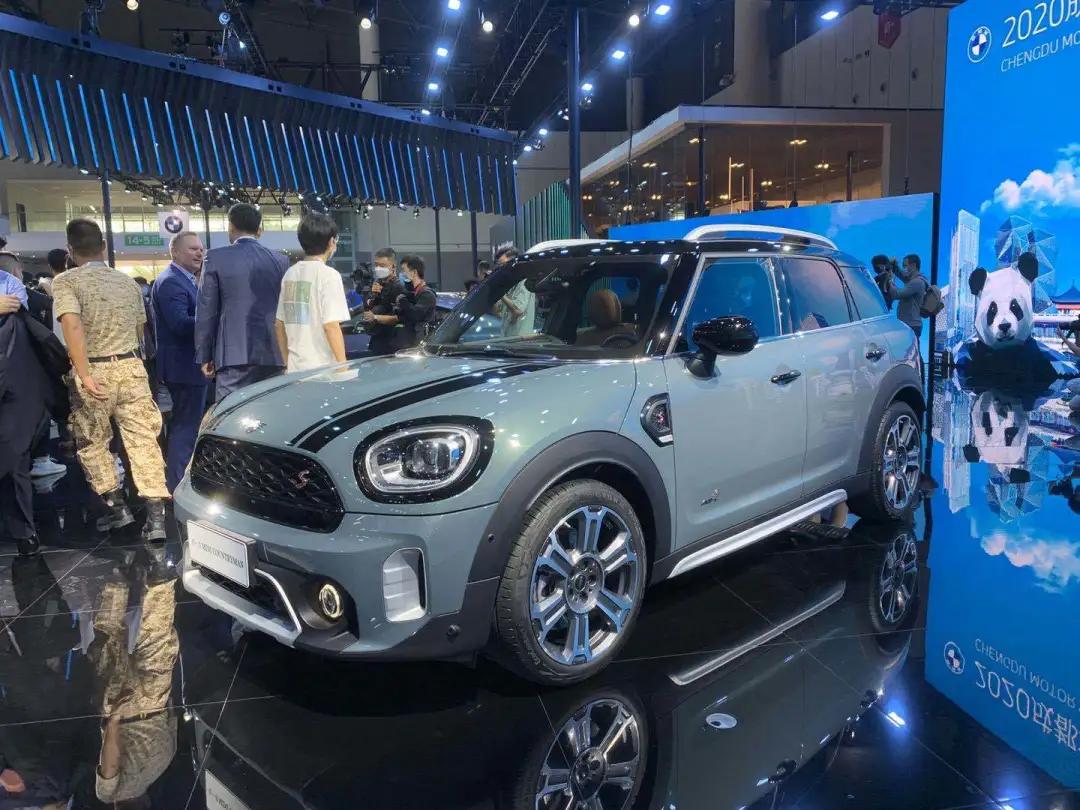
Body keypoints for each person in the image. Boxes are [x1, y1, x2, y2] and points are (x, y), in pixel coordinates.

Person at [51, 218, 169, 541]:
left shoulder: (66, 282)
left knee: (93, 442)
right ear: (103, 246)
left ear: (70, 249)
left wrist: (84, 372)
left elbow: (72, 325)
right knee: (144, 441)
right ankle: (156, 519)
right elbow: (140, 330)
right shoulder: (127, 283)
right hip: (132, 368)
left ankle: (118, 509)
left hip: (96, 370)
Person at [195, 202, 289, 401]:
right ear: (259, 229)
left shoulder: (215, 257)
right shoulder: (280, 260)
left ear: (231, 226)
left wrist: (204, 355)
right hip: (274, 353)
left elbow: (206, 311)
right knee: (272, 411)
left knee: (230, 412)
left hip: (232, 355)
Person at [0, 278, 53, 557]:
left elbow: (21, 307)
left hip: (13, 378)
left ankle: (23, 531)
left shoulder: (8, 282)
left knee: (13, 454)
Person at [152, 232, 208, 492]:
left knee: (186, 426)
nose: (199, 253)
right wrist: (214, 319)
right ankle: (178, 486)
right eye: (193, 249)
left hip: (185, 365)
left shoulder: (183, 279)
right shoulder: (171, 281)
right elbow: (179, 323)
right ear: (175, 252)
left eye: (201, 249)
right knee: (186, 427)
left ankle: (180, 481)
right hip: (184, 366)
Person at [274, 213, 350, 373]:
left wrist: (287, 363)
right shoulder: (329, 275)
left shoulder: (290, 274)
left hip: (295, 369)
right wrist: (343, 367)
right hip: (323, 370)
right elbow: (331, 326)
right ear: (331, 242)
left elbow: (279, 325)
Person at [362, 247, 406, 355]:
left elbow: (400, 318)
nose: (378, 269)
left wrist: (376, 317)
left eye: (382, 266)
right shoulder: (377, 284)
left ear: (393, 266)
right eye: (376, 265)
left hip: (393, 343)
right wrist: (372, 295)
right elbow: (368, 310)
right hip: (376, 340)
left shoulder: (399, 287)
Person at [394, 254, 437, 350]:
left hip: (420, 345)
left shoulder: (427, 294)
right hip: (409, 342)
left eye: (404, 270)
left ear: (414, 272)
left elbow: (415, 315)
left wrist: (402, 300)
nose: (401, 274)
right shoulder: (412, 293)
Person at [493, 247, 536, 337]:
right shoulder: (507, 284)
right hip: (506, 338)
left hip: (519, 341)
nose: (501, 268)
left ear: (514, 263)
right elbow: (497, 311)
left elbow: (518, 310)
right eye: (499, 265)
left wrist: (500, 292)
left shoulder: (524, 282)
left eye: (503, 265)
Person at [884, 254, 929, 337]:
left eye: (905, 266)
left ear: (913, 265)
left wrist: (889, 280)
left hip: (911, 325)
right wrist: (894, 266)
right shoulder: (913, 279)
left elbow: (896, 294)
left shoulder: (917, 282)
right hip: (910, 323)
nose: (904, 269)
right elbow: (903, 275)